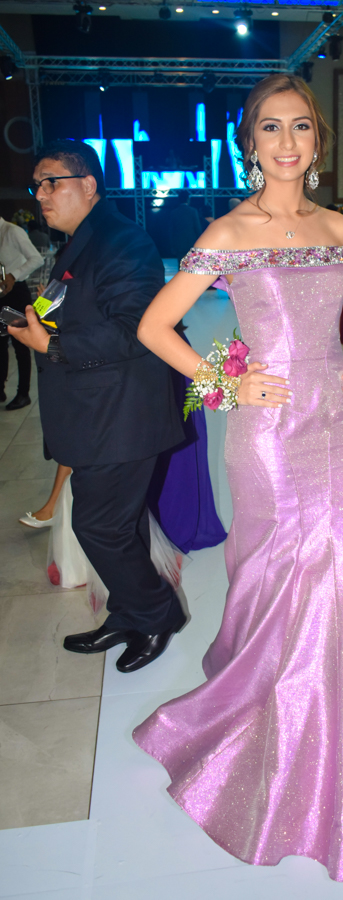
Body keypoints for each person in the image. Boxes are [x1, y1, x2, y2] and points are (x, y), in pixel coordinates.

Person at [132, 74, 343, 883]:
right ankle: (278, 724)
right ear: (249, 143)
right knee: (285, 573)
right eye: (270, 128)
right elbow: (155, 324)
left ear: (318, 141)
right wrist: (225, 385)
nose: (286, 142)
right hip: (269, 434)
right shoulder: (228, 232)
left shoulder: (336, 225)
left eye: (300, 127)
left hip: (339, 427)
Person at [8, 139, 186, 673]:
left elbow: (134, 330)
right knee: (117, 524)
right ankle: (128, 613)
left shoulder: (122, 241)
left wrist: (50, 344)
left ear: (88, 185)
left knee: (98, 526)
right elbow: (73, 309)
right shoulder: (83, 242)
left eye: (51, 182)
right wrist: (30, 323)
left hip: (122, 415)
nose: (41, 195)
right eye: (36, 185)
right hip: (97, 414)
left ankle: (157, 614)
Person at [0, 214, 43, 409]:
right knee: (0, 344)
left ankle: (23, 393)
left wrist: (13, 275)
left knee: (20, 345)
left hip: (16, 292)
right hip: (2, 292)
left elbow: (37, 259)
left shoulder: (12, 231)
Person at [169, 189, 204, 263]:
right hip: (191, 243)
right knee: (192, 265)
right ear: (188, 199)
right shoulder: (193, 211)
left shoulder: (173, 212)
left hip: (179, 245)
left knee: (181, 265)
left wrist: (172, 247)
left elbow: (171, 231)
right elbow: (197, 228)